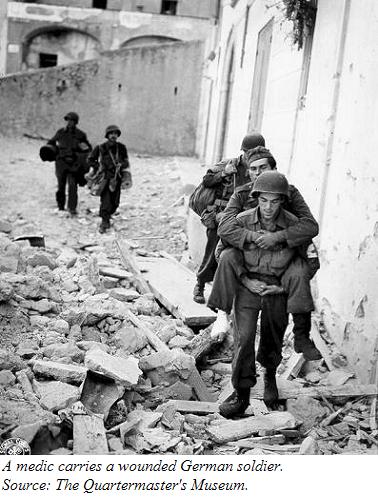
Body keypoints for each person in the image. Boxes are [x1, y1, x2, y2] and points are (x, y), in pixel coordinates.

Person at [208, 146, 321, 361]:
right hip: (248, 261)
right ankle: (221, 313)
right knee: (225, 256)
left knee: (274, 332)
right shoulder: (241, 194)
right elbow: (225, 228)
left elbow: (309, 226)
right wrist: (252, 237)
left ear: (274, 169)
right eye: (253, 169)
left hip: (281, 260)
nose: (258, 173)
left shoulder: (289, 192)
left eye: (263, 168)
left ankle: (297, 340)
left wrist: (277, 237)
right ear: (247, 172)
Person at [219, 171, 302, 418]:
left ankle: (270, 376)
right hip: (247, 288)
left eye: (274, 201)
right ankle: (241, 393)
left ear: (283, 201)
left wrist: (283, 287)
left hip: (277, 290)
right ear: (256, 198)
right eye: (263, 200)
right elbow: (222, 253)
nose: (268, 207)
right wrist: (244, 279)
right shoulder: (241, 221)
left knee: (272, 335)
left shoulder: (294, 226)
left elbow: (309, 261)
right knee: (243, 338)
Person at [193, 133, 266, 304]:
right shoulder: (229, 164)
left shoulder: (262, 169)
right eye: (248, 152)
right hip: (221, 217)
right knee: (212, 253)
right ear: (243, 151)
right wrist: (223, 174)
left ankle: (227, 299)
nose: (251, 157)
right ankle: (200, 284)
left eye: (255, 153)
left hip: (245, 220)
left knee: (236, 258)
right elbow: (207, 180)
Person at [87, 125, 131, 233]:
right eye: (111, 134)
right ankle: (104, 222)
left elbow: (126, 161)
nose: (113, 136)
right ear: (107, 135)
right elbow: (90, 160)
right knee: (106, 201)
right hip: (105, 177)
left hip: (117, 177)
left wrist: (121, 164)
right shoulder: (101, 147)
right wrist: (99, 167)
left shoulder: (121, 147)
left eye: (115, 134)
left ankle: (108, 215)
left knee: (115, 202)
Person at [47, 112, 91, 216]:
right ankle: (61, 207)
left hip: (73, 164)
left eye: (72, 120)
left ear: (76, 122)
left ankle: (72, 208)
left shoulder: (80, 135)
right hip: (61, 163)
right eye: (68, 120)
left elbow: (87, 149)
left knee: (72, 186)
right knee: (61, 186)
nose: (69, 122)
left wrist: (80, 156)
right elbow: (50, 143)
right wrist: (54, 151)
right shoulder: (61, 132)